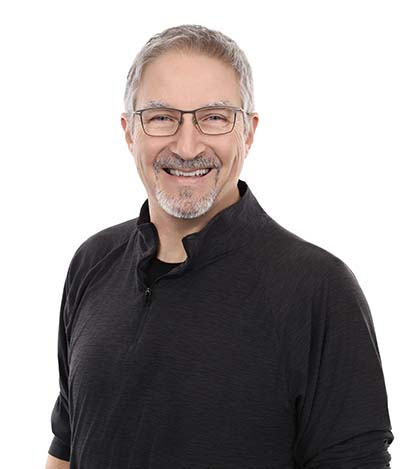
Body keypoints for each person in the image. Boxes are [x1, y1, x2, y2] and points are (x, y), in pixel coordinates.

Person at [46, 24, 394, 468]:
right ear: (129, 131)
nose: (187, 146)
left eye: (214, 117)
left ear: (247, 132)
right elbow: (66, 446)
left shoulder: (318, 289)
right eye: (161, 117)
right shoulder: (92, 263)